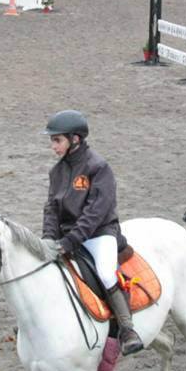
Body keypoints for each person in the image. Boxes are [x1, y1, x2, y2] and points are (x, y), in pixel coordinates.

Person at [42, 110, 140, 355]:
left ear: (75, 139)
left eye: (57, 140)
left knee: (106, 273)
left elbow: (95, 212)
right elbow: (51, 208)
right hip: (67, 236)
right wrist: (48, 238)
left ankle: (127, 329)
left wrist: (70, 241)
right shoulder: (56, 172)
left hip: (99, 233)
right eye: (52, 140)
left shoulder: (98, 167)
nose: (53, 146)